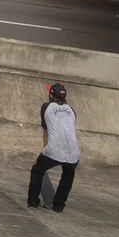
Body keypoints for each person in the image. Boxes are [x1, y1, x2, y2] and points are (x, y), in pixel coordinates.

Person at [27, 83, 81, 212]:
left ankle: (33, 202)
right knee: (68, 175)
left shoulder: (46, 107)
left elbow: (46, 131)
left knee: (37, 170)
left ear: (50, 95)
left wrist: (43, 152)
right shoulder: (72, 110)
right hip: (73, 152)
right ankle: (59, 205)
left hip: (53, 150)